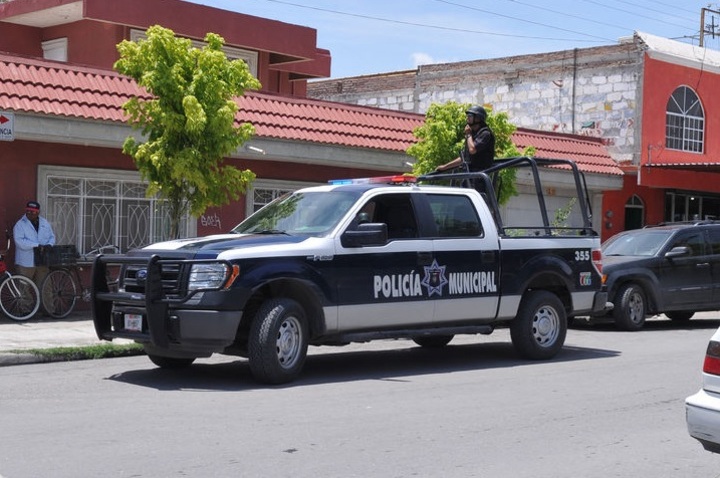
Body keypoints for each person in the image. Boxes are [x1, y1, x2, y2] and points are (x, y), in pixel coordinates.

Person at [435, 105, 496, 174]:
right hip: (470, 174)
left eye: (470, 116)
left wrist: (468, 135)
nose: (467, 119)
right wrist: (445, 167)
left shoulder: (485, 134)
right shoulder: (473, 134)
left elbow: (472, 150)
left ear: (477, 118)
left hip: (480, 176)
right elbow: (464, 157)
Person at [14, 200, 56, 290]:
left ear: (38, 212)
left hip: (42, 260)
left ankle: (48, 304)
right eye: (27, 211)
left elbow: (52, 237)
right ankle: (26, 304)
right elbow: (19, 242)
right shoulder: (20, 224)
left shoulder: (45, 223)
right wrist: (36, 245)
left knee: (46, 287)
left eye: (32, 211)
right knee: (24, 288)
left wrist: (49, 244)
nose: (29, 213)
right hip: (25, 262)